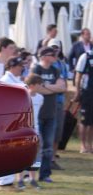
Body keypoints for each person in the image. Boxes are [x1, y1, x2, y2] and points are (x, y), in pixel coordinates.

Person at [32, 46, 68, 183]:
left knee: (48, 146)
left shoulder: (55, 70)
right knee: (37, 146)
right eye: (52, 54)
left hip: (51, 113)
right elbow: (36, 88)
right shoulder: (36, 69)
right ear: (45, 56)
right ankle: (32, 175)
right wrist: (53, 88)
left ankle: (45, 174)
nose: (55, 56)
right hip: (38, 114)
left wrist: (45, 87)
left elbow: (63, 87)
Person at [0, 56, 28, 191]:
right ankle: (3, 184)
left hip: (14, 121)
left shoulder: (14, 80)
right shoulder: (5, 81)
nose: (22, 68)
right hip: (6, 122)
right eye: (20, 65)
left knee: (12, 151)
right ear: (13, 66)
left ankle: (8, 182)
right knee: (5, 152)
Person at [16, 74, 46, 190]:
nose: (41, 87)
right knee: (21, 155)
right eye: (39, 85)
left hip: (36, 130)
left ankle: (33, 179)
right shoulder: (23, 96)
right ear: (32, 85)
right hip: (24, 130)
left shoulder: (40, 98)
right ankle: (20, 179)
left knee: (36, 156)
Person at [47, 38, 69, 169]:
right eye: (53, 47)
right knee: (47, 132)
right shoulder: (45, 65)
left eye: (57, 47)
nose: (55, 50)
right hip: (48, 102)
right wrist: (58, 87)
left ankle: (52, 158)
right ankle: (45, 159)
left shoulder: (62, 64)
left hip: (59, 101)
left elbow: (64, 85)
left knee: (58, 131)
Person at [74, 45, 93, 153]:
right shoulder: (86, 56)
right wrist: (77, 91)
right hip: (87, 92)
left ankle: (90, 145)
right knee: (84, 120)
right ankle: (83, 145)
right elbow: (78, 75)